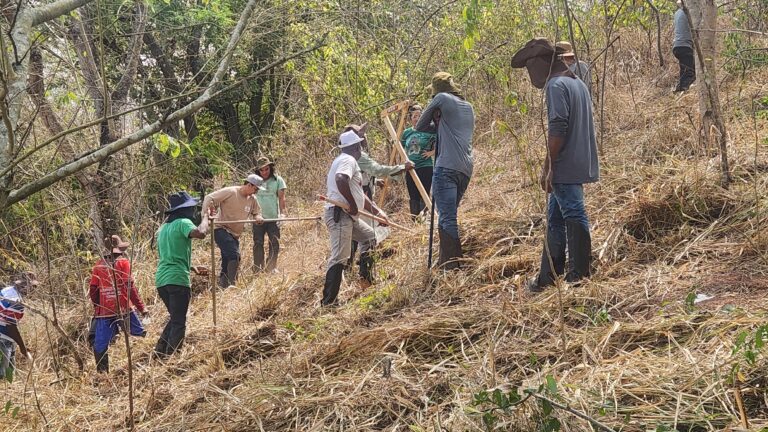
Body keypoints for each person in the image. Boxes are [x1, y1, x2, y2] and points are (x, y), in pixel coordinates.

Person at [510, 38, 599, 292]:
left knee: (573, 212)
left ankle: (580, 275)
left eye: (530, 67)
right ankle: (547, 278)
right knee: (555, 218)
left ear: (541, 64)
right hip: (578, 159)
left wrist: (548, 165)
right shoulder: (577, 83)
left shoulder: (556, 85)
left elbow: (558, 126)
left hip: (565, 162)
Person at [322, 130, 391, 307]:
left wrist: (378, 213)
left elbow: (359, 194)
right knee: (340, 256)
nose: (362, 147)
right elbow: (340, 179)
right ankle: (329, 302)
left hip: (348, 215)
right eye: (360, 144)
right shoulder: (348, 160)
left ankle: (366, 281)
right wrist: (352, 205)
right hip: (340, 214)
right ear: (355, 146)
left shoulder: (347, 161)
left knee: (369, 237)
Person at [415, 72, 475, 269]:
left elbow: (419, 126)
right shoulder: (468, 107)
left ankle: (451, 266)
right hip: (465, 169)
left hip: (446, 167)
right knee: (449, 214)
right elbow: (451, 131)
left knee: (447, 217)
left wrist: (435, 117)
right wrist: (441, 123)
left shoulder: (441, 98)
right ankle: (447, 262)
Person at [154, 191, 207, 357]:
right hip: (177, 279)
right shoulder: (183, 222)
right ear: (184, 210)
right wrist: (207, 219)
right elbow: (200, 233)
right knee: (179, 321)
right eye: (192, 208)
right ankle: (172, 354)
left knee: (175, 316)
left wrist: (192, 267)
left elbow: (170, 256)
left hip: (162, 280)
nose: (193, 211)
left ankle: (160, 350)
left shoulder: (163, 229)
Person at [88, 235, 148, 373]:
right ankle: (143, 360)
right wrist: (141, 307)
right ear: (119, 250)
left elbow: (93, 291)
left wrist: (98, 307)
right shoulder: (123, 263)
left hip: (105, 310)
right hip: (123, 308)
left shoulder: (99, 266)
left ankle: (103, 373)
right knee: (138, 332)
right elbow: (129, 287)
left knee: (100, 344)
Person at [199, 175, 265, 287]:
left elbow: (256, 212)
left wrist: (258, 217)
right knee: (234, 256)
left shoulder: (253, 199)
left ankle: (223, 287)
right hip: (221, 229)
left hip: (235, 235)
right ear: (249, 185)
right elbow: (209, 198)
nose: (256, 192)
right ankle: (232, 286)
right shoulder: (231, 191)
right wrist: (206, 216)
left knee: (227, 260)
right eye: (256, 189)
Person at [400, 104, 436, 218]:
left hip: (425, 166)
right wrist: (403, 160)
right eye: (414, 116)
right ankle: (415, 220)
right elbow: (400, 147)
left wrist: (432, 152)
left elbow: (442, 141)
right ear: (411, 118)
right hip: (411, 168)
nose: (417, 118)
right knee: (413, 195)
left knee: (424, 193)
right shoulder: (407, 132)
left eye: (420, 116)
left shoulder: (430, 130)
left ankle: (424, 218)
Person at [0, 272, 38, 381]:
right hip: (3, 338)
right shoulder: (16, 302)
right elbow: (11, 326)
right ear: (23, 286)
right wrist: (22, 347)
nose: (32, 290)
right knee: (3, 377)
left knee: (9, 375)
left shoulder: (7, 290)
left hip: (6, 337)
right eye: (32, 287)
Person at [253, 157, 287, 273]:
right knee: (258, 243)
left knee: (274, 243)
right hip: (258, 218)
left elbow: (282, 198)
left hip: (273, 217)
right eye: (261, 170)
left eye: (266, 169)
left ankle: (271, 267)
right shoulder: (255, 181)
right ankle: (257, 269)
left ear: (270, 168)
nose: (264, 172)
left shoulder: (278, 180)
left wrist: (282, 214)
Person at [672, 1, 695, 92]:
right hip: (685, 47)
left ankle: (678, 89)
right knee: (690, 73)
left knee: (685, 71)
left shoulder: (677, 13)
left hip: (677, 46)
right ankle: (683, 91)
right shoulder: (689, 13)